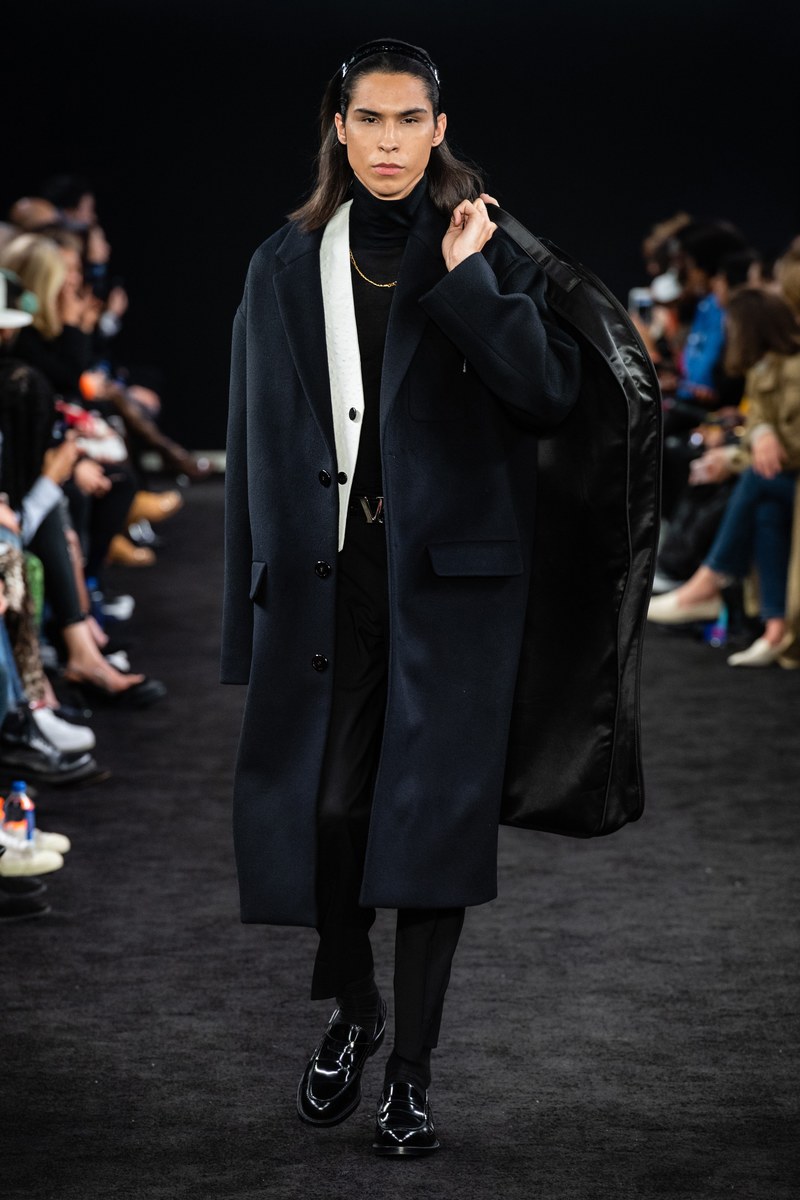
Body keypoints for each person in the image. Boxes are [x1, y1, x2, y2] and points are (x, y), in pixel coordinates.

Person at [222, 38, 582, 1157]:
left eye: (408, 120)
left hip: (453, 589)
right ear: (339, 127)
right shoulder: (284, 260)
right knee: (329, 814)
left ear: (438, 127)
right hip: (330, 583)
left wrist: (471, 283)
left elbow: (549, 396)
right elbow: (251, 440)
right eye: (368, 120)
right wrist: (245, 620)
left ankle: (411, 1076)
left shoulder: (488, 245)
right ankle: (356, 1004)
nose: (388, 142)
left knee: (429, 833)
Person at [648, 288, 800, 666]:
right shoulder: (765, 369)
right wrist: (753, 438)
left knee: (754, 481)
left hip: (787, 475)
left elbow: (786, 447)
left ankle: (703, 581)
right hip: (781, 479)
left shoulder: (792, 370)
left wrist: (737, 454)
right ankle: (775, 630)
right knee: (763, 506)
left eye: (731, 327)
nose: (726, 335)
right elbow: (762, 429)